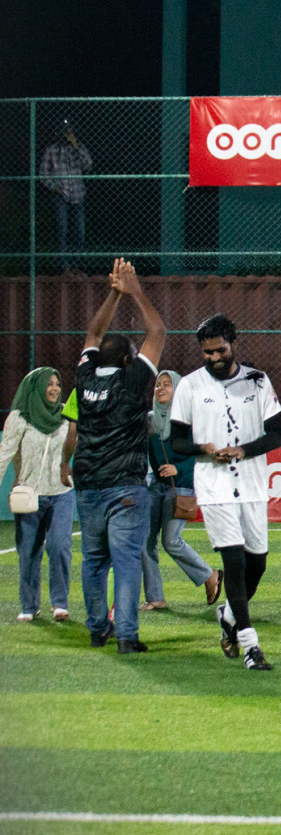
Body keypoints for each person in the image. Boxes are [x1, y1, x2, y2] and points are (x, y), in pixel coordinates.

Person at [169, 314, 281, 670]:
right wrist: (202, 448)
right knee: (232, 563)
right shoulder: (189, 386)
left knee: (257, 565)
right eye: (207, 353)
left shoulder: (258, 381)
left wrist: (242, 450)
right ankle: (250, 645)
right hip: (214, 486)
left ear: (234, 343)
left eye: (219, 350)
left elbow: (276, 435)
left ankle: (229, 617)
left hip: (251, 484)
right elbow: (175, 441)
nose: (214, 358)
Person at [72, 259, 164, 654]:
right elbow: (157, 331)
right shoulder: (132, 382)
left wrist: (113, 292)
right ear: (129, 360)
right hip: (125, 486)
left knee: (93, 559)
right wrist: (134, 289)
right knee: (126, 560)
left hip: (87, 484)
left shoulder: (84, 376)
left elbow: (94, 331)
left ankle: (98, 630)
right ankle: (126, 635)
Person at [142, 370, 221, 610]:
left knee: (171, 540)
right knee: (145, 542)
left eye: (167, 384)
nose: (162, 388)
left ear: (178, 389)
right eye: (158, 385)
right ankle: (156, 598)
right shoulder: (150, 420)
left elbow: (203, 453)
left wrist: (178, 468)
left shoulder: (188, 419)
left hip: (182, 486)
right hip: (155, 486)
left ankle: (210, 575)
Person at [3, 367, 74, 622]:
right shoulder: (19, 417)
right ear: (36, 386)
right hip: (29, 494)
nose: (55, 388)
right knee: (28, 552)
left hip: (61, 493)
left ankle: (59, 603)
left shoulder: (67, 415)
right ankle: (29, 605)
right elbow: (5, 455)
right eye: (49, 383)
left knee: (60, 546)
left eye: (58, 383)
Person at [39, 120, 91, 273]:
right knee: (62, 230)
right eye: (64, 132)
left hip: (78, 193)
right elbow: (43, 174)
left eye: (69, 132)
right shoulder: (51, 150)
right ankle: (64, 266)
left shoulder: (79, 148)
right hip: (61, 195)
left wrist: (75, 146)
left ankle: (75, 265)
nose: (67, 136)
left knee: (79, 231)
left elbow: (88, 165)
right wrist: (55, 187)